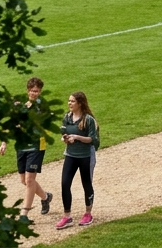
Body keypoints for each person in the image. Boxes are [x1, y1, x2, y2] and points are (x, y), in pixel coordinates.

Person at [0, 77, 51, 224]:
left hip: (36, 146)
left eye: (38, 91)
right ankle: (46, 197)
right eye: (33, 91)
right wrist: (4, 143)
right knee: (24, 180)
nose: (35, 93)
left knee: (29, 180)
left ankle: (24, 215)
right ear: (28, 90)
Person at [55, 91, 98, 229]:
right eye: (69, 101)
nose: (69, 103)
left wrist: (77, 137)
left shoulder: (88, 120)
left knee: (87, 184)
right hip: (70, 155)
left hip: (85, 156)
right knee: (65, 183)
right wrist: (65, 139)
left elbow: (92, 139)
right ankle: (67, 216)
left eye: (72, 101)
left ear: (80, 103)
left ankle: (88, 213)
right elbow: (63, 134)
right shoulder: (67, 118)